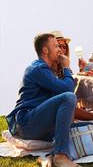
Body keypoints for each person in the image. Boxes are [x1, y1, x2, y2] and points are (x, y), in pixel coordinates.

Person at [6, 33, 80, 167]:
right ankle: (60, 156)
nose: (60, 50)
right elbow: (68, 91)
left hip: (38, 122)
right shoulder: (38, 69)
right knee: (69, 97)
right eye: (56, 46)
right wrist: (67, 67)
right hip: (27, 123)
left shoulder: (46, 70)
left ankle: (47, 157)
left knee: (86, 128)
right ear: (45, 50)